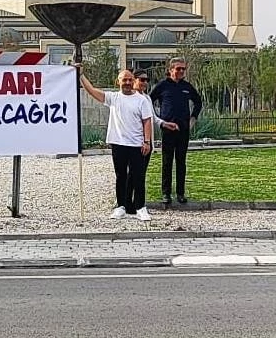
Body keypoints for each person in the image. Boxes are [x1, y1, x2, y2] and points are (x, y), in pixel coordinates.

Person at [79, 68, 154, 221]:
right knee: (121, 176)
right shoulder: (113, 98)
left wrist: (147, 141)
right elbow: (92, 91)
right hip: (118, 143)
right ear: (118, 81)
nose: (127, 82)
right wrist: (81, 75)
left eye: (129, 80)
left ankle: (140, 208)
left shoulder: (141, 100)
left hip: (137, 144)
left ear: (133, 81)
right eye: (124, 80)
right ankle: (121, 207)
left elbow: (147, 121)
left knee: (138, 177)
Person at [150, 57, 203, 205]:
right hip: (168, 130)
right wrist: (158, 120)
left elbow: (198, 102)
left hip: (183, 130)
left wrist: (193, 118)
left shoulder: (187, 86)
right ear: (171, 70)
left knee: (181, 162)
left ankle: (180, 193)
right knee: (167, 162)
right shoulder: (162, 85)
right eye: (178, 69)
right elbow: (148, 101)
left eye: (183, 69)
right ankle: (166, 193)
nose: (181, 71)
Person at [132, 69, 178, 215]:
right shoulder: (130, 97)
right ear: (134, 80)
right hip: (134, 141)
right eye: (141, 79)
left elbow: (153, 118)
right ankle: (126, 202)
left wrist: (165, 123)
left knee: (141, 173)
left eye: (146, 80)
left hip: (147, 142)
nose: (144, 82)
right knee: (131, 173)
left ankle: (137, 203)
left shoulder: (146, 98)